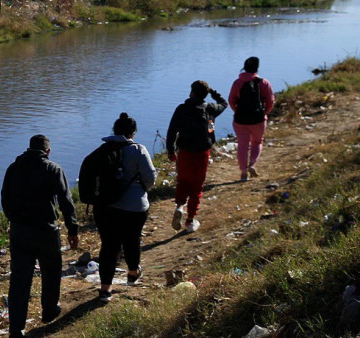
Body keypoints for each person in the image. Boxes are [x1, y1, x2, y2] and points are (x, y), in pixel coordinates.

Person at [2, 134, 79, 337]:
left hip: (20, 232)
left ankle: (16, 328)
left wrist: (15, 221)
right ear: (47, 151)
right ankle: (49, 310)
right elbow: (66, 201)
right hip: (46, 229)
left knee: (19, 280)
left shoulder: (13, 168)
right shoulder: (53, 169)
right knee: (51, 271)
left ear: (28, 149)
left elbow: (5, 200)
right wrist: (73, 229)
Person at [92, 113, 157, 302]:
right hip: (134, 207)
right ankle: (132, 273)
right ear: (133, 133)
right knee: (132, 240)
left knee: (109, 246)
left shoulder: (102, 150)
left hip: (105, 207)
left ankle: (105, 290)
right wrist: (141, 189)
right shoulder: (138, 150)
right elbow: (150, 179)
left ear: (114, 130)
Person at [166, 80, 227, 233]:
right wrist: (213, 92)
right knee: (197, 186)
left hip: (185, 151)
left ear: (191, 92)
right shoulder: (210, 109)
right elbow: (224, 103)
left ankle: (180, 205)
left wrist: (171, 151)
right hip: (202, 152)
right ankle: (189, 221)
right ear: (205, 95)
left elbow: (172, 131)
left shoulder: (181, 109)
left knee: (183, 180)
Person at [228, 56, 275, 181]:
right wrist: (265, 113)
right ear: (257, 68)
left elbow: (231, 100)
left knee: (242, 145)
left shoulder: (237, 83)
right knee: (257, 142)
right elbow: (270, 101)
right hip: (258, 119)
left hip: (240, 119)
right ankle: (252, 164)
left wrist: (237, 111)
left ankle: (243, 173)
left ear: (244, 67)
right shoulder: (264, 83)